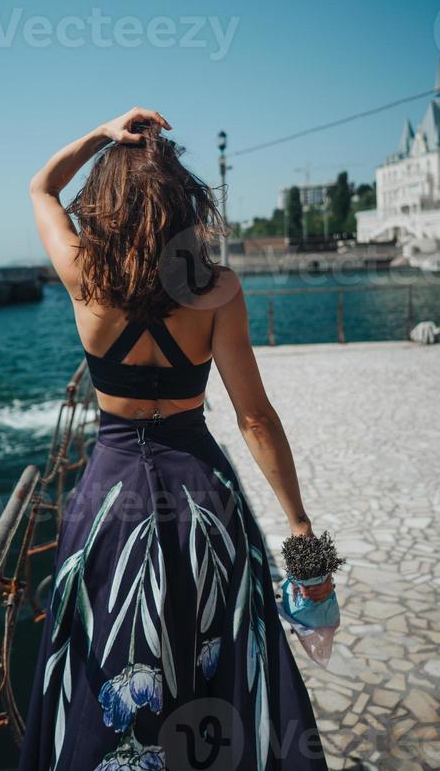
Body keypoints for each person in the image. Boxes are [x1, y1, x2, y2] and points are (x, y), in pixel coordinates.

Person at [18, 108, 331, 770]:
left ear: (104, 205)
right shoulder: (216, 289)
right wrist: (300, 526)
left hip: (111, 496)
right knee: (218, 652)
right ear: (183, 200)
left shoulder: (85, 276)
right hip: (202, 492)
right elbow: (254, 419)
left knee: (111, 651)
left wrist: (104, 136)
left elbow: (42, 187)